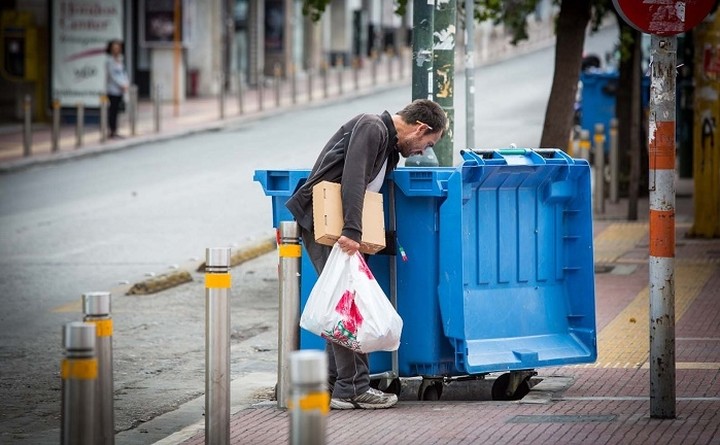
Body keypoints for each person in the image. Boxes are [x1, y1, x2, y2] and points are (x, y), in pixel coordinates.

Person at [285, 99, 447, 409]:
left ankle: (333, 385)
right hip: (328, 224)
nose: (424, 150)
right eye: (428, 142)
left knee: (342, 303)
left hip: (339, 226)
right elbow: (354, 178)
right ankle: (353, 387)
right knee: (348, 306)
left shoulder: (387, 144)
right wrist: (352, 231)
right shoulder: (373, 127)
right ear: (420, 128)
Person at [105, 39, 129, 139]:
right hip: (112, 89)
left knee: (117, 110)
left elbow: (123, 72)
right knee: (112, 110)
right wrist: (121, 84)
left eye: (118, 48)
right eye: (114, 48)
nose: (116, 50)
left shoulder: (120, 59)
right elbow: (112, 75)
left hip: (120, 90)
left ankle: (115, 130)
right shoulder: (109, 61)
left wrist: (126, 83)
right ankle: (112, 131)